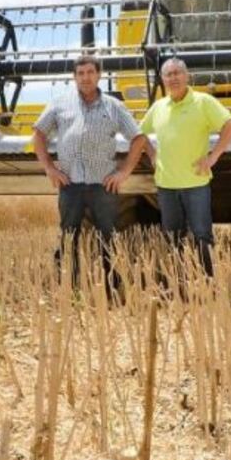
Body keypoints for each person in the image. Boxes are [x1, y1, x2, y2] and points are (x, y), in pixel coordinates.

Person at [32, 54, 148, 302]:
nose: (85, 77)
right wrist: (50, 169)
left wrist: (124, 171)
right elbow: (38, 133)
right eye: (80, 73)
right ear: (74, 77)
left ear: (99, 75)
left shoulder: (113, 106)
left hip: (102, 186)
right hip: (70, 185)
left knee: (109, 237)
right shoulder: (60, 103)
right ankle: (68, 291)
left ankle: (113, 292)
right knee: (68, 236)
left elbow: (138, 138)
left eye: (90, 72)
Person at [140, 58, 231, 277]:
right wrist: (152, 153)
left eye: (177, 73)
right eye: (168, 75)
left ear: (187, 76)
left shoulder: (203, 102)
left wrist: (213, 157)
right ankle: (177, 281)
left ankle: (207, 281)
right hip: (166, 185)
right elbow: (139, 134)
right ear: (162, 80)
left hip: (196, 182)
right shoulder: (158, 107)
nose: (173, 78)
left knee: (202, 234)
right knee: (172, 236)